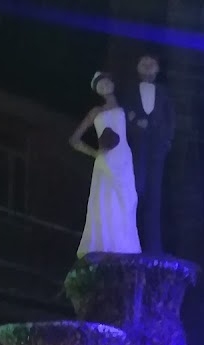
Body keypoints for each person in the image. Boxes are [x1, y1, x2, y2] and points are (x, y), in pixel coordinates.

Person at [70, 72, 141, 258]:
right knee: (106, 203)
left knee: (128, 200)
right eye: (99, 86)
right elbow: (74, 140)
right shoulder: (96, 111)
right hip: (106, 161)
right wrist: (96, 154)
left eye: (106, 82)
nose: (104, 86)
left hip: (124, 159)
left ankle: (125, 249)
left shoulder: (126, 109)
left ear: (113, 83)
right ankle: (104, 248)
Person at [121, 54, 176, 255]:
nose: (147, 66)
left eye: (151, 64)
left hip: (157, 147)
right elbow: (124, 115)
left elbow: (171, 118)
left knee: (155, 194)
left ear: (157, 69)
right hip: (137, 146)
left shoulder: (164, 92)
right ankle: (129, 241)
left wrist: (167, 141)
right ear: (137, 68)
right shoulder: (130, 91)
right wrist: (136, 124)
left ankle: (153, 246)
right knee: (136, 191)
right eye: (143, 63)